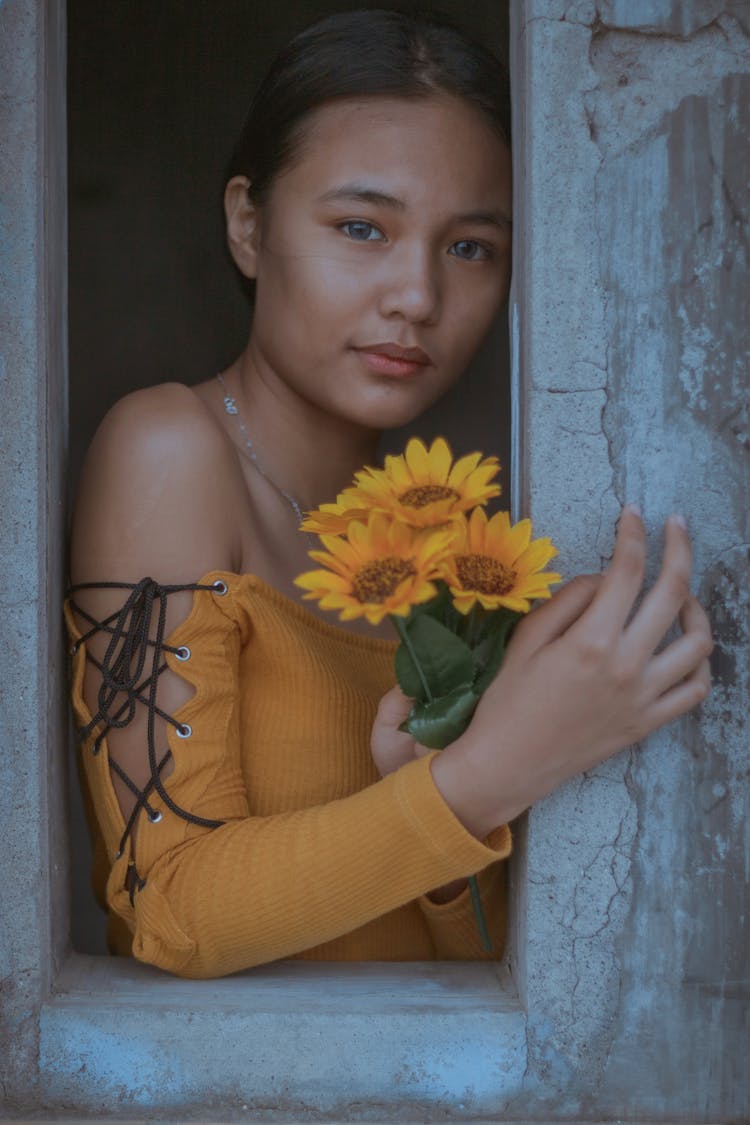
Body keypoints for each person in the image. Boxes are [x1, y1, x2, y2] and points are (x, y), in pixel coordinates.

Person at [66, 9, 712, 980]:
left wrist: (460, 799)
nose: (416, 293)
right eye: (362, 227)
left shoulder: (454, 545)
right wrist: (498, 766)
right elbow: (169, 906)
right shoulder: (171, 450)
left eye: (470, 247)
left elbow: (461, 949)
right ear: (249, 224)